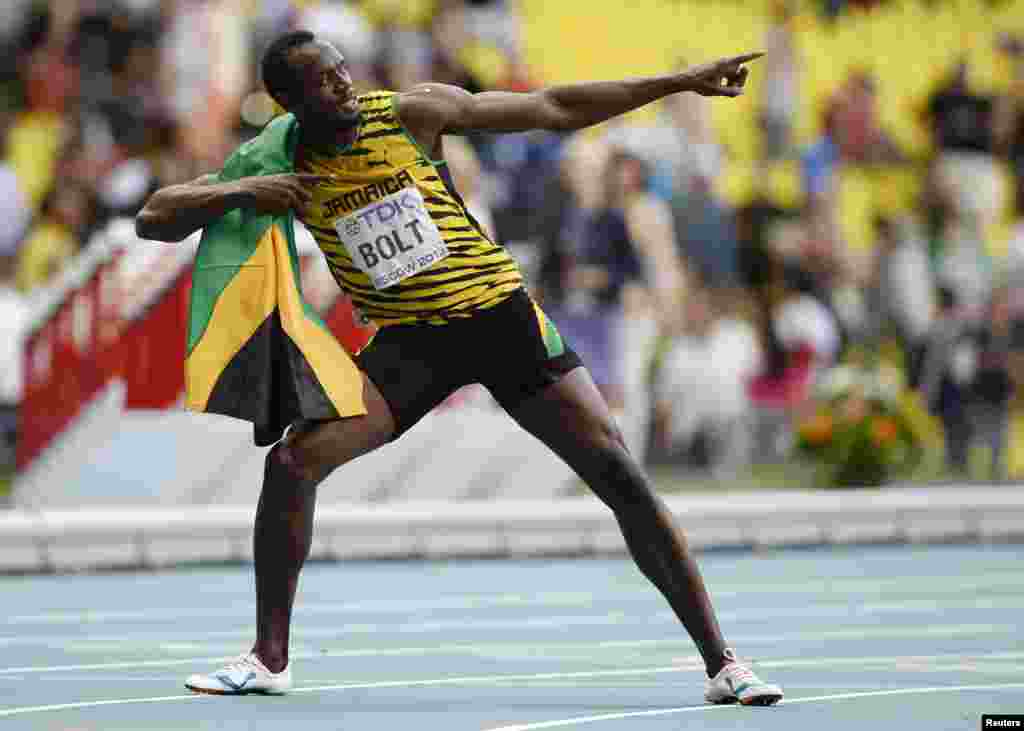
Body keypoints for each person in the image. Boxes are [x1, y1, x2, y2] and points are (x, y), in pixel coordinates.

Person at [136, 30, 782, 706]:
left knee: (617, 471)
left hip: (498, 319)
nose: (345, 84)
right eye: (324, 82)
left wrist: (677, 83)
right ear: (289, 101)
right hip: (412, 344)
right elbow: (156, 216)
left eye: (343, 69)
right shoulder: (273, 160)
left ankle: (724, 663)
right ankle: (268, 659)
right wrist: (246, 192)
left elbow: (553, 108)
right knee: (294, 461)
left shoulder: (411, 113)